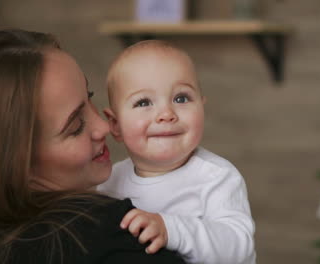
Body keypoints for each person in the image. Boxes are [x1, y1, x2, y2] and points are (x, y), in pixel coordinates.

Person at [0, 29, 185, 264]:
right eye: (76, 125)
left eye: (89, 96)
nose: (104, 126)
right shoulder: (105, 234)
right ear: (14, 164)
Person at [99, 40, 256, 264]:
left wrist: (172, 230)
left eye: (181, 98)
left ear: (202, 107)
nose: (166, 113)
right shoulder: (109, 183)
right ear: (115, 125)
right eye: (143, 102)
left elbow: (239, 247)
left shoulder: (216, 177)